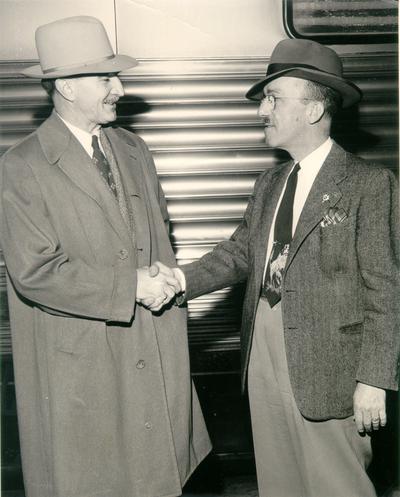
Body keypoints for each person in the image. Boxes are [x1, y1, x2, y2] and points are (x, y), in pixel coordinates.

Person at [152, 39, 400, 497]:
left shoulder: (369, 184)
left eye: (273, 98)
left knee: (337, 486)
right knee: (279, 483)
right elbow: (241, 253)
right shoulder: (269, 182)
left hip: (330, 369)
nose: (261, 110)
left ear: (311, 111)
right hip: (264, 359)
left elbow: (386, 291)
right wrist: (179, 280)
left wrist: (374, 380)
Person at [0, 16, 211, 497]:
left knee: (158, 478)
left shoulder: (134, 149)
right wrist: (131, 286)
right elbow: (35, 271)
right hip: (85, 369)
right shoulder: (22, 166)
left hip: (151, 353)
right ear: (68, 86)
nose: (119, 87)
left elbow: (160, 236)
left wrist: (161, 276)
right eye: (105, 78)